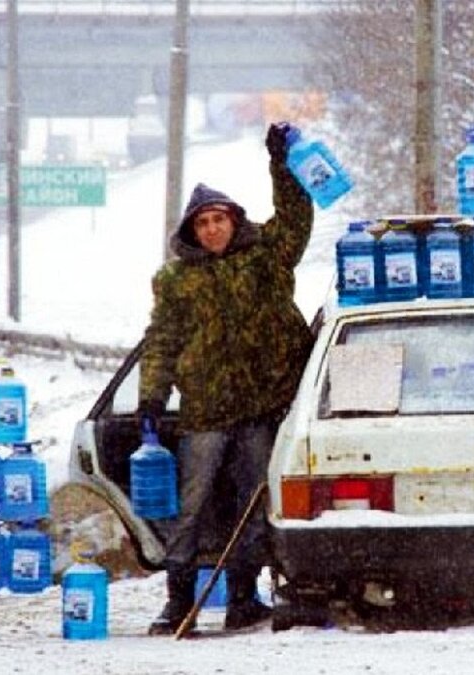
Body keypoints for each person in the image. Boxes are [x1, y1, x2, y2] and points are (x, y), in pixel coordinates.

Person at [138, 122, 314, 635]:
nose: (212, 229)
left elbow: (297, 216)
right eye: (203, 224)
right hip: (205, 413)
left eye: (219, 219)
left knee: (253, 505)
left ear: (235, 221)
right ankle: (177, 602)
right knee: (191, 508)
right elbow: (162, 338)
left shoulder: (267, 258)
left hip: (263, 408)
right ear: (191, 232)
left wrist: (281, 164)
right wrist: (152, 394)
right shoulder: (176, 280)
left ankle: (244, 597)